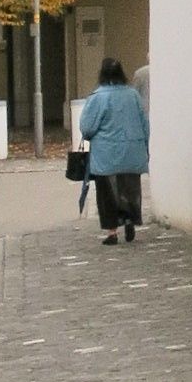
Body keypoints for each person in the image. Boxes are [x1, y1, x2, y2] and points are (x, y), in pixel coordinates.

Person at [77, 57, 149, 245]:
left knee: (107, 193)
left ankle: (112, 232)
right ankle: (130, 219)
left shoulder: (98, 97)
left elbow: (87, 128)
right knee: (130, 189)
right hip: (132, 151)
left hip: (106, 154)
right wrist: (145, 146)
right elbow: (144, 122)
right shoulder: (133, 95)